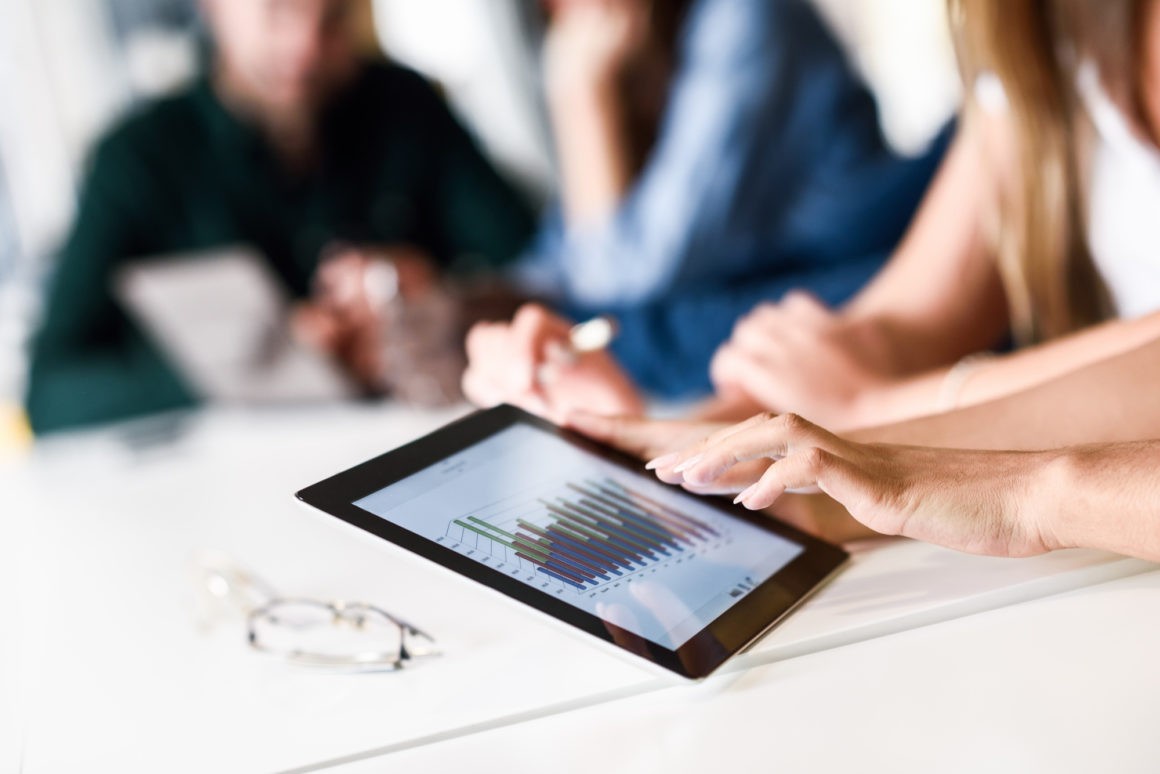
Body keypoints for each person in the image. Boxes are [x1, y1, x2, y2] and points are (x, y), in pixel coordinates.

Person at [466, 0, 1160, 432]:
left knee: (657, 326)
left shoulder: (743, 19)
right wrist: (649, 446)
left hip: (841, 249)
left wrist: (879, 410)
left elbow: (626, 271)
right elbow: (908, 323)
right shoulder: (1041, 25)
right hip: (828, 273)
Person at [26, 0, 535, 435]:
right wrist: (253, 361)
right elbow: (50, 395)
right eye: (275, 9)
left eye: (332, 16)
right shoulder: (138, 158)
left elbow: (540, 274)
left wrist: (438, 296)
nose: (305, 46)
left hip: (414, 442)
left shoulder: (407, 106)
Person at [507, 0, 949, 397]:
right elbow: (558, 259)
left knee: (634, 337)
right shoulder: (636, 56)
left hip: (851, 254)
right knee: (597, 330)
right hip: (758, 266)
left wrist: (579, 97)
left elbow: (626, 276)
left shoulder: (743, 16)